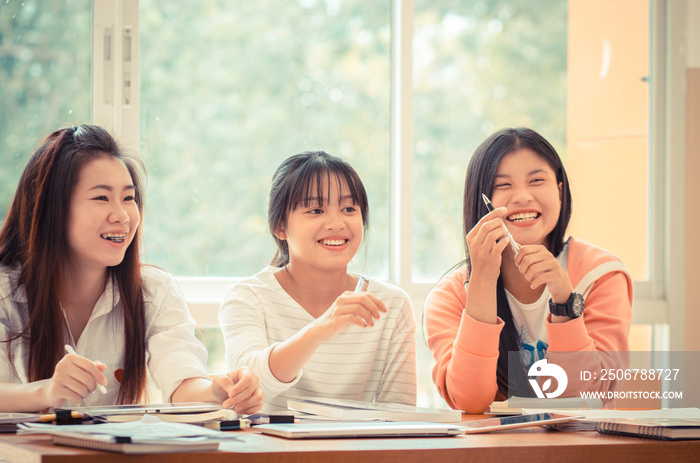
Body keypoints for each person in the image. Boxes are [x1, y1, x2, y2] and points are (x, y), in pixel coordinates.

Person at [0, 124, 263, 413]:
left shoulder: (155, 291)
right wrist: (46, 391)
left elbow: (182, 381)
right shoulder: (5, 291)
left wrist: (219, 390)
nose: (123, 215)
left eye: (128, 198)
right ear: (53, 208)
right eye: (102, 197)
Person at [424, 127, 632, 414]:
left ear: (560, 191)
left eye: (536, 180)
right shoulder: (450, 295)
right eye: (503, 185)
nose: (522, 196)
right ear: (480, 200)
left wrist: (564, 303)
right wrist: (482, 282)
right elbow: (471, 402)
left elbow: (590, 395)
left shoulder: (602, 275)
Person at [219, 150, 416, 412]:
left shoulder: (391, 304)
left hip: (360, 451)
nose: (336, 223)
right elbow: (248, 386)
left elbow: (400, 417)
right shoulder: (247, 297)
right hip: (269, 452)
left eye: (349, 209)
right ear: (279, 227)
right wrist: (319, 330)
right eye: (315, 210)